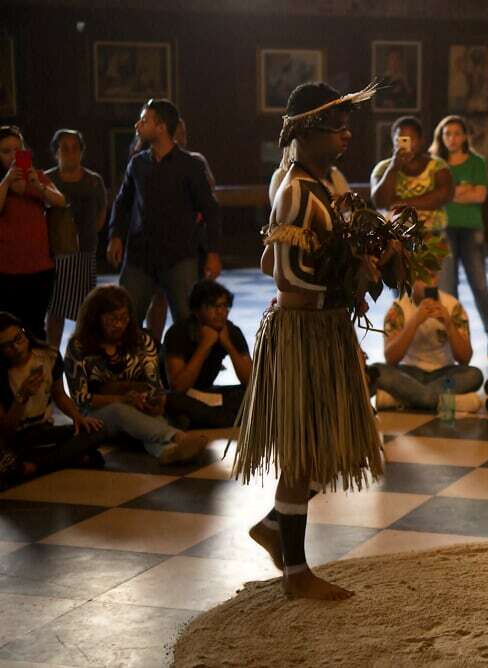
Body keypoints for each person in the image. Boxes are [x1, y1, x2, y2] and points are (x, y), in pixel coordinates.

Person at [237, 81, 385, 601]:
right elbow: (287, 276)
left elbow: (269, 259)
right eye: (336, 127)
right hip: (304, 333)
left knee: (332, 447)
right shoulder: (298, 191)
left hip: (321, 330)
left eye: (347, 126)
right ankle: (296, 573)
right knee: (303, 456)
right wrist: (352, 280)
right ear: (307, 131)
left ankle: (275, 526)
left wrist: (357, 261)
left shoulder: (314, 187)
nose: (347, 135)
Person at [106, 99, 221, 334]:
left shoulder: (189, 166)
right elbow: (122, 203)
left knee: (188, 324)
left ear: (161, 127)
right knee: (125, 321)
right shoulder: (137, 164)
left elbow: (210, 209)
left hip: (179, 256)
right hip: (139, 256)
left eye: (144, 120)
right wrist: (115, 235)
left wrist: (213, 253)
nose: (137, 125)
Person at [64, 285, 215, 465]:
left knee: (150, 416)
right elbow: (81, 399)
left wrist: (155, 402)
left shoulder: (142, 340)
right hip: (95, 415)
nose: (119, 324)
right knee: (119, 410)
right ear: (96, 318)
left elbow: (155, 386)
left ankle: (167, 452)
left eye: (124, 318)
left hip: (136, 405)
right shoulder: (79, 346)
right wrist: (122, 399)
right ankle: (178, 437)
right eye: (112, 319)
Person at [0, 312, 105, 491]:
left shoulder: (49, 356)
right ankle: (66, 458)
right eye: (7, 346)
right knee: (91, 457)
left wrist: (78, 417)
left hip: (43, 430)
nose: (16, 347)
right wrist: (22, 396)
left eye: (18, 338)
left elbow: (59, 394)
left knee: (98, 431)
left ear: (24, 332)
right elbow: (6, 429)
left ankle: (34, 466)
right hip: (18, 438)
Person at [144, 118, 218, 342]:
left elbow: (209, 192)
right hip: (159, 241)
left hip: (191, 241)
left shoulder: (195, 161)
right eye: (178, 132)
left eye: (184, 132)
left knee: (192, 298)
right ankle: (154, 345)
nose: (182, 137)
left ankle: (195, 345)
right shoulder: (148, 161)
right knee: (158, 298)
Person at [373, 280, 482, 413]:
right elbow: (391, 359)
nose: (431, 282)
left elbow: (465, 359)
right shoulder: (398, 308)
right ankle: (444, 401)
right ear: (411, 279)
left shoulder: (452, 305)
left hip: (444, 374)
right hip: (409, 375)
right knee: (377, 370)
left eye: (433, 275)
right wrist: (415, 321)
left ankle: (406, 399)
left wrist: (449, 324)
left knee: (474, 375)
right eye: (424, 277)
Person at [0, 126, 66, 340]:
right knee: (7, 328)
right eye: (6, 151)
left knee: (36, 327)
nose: (13, 156)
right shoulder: (2, 183)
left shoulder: (36, 176)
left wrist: (37, 185)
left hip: (39, 267)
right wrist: (7, 181)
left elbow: (60, 200)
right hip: (6, 269)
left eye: (17, 150)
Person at [44, 129, 107, 348]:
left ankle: (82, 354)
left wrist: (87, 235)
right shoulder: (47, 179)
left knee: (86, 309)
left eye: (75, 148)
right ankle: (53, 354)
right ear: (56, 152)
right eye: (65, 149)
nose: (70, 153)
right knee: (55, 310)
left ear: (81, 151)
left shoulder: (93, 181)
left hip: (84, 254)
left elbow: (101, 212)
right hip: (55, 255)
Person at [430, 115, 488, 330]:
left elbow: (480, 195)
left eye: (457, 134)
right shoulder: (434, 163)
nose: (452, 138)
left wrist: (448, 193)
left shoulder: (477, 162)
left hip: (471, 229)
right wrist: (462, 190)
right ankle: (453, 334)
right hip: (443, 229)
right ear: (441, 136)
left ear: (466, 136)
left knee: (480, 285)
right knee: (447, 286)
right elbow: (433, 196)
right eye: (447, 134)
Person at [162, 279, 251, 429]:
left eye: (224, 306)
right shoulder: (178, 332)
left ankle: (210, 420)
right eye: (213, 306)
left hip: (206, 394)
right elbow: (178, 387)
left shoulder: (230, 331)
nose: (220, 312)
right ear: (197, 310)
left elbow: (251, 381)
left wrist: (229, 346)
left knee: (253, 395)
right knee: (174, 401)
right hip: (181, 396)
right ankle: (226, 420)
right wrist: (204, 346)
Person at [370, 116, 453, 240]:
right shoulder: (383, 168)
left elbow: (443, 196)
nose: (406, 144)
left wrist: (400, 203)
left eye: (411, 139)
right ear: (393, 140)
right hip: (394, 238)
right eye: (400, 139)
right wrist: (393, 168)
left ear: (421, 140)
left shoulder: (438, 166)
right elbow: (380, 202)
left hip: (433, 236)